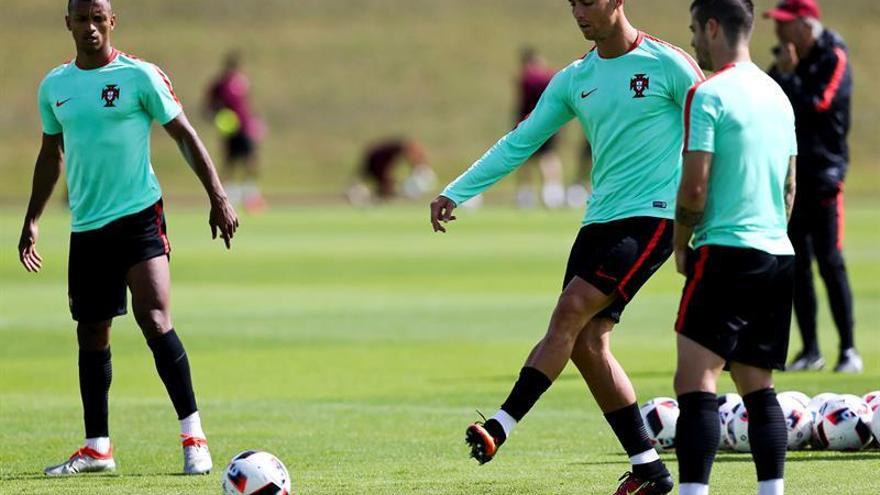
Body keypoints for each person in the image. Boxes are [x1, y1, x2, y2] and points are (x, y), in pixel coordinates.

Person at [429, 0, 704, 492]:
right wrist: (458, 190)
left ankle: (500, 425)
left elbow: (714, 127)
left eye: (588, 1)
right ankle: (650, 470)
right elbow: (521, 141)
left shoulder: (668, 64)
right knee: (587, 343)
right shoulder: (575, 78)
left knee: (570, 310)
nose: (578, 11)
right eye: (572, 2)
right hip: (599, 220)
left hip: (654, 217)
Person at [19, 0, 239, 476]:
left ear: (112, 21)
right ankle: (98, 448)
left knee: (155, 319)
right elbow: (50, 154)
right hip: (88, 226)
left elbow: (183, 133)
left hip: (140, 216)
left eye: (99, 18)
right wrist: (33, 218)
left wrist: (217, 197)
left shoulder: (141, 76)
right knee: (91, 332)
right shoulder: (55, 86)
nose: (91, 27)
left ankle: (194, 438)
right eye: (83, 18)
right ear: (69, 23)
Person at [673, 1, 797, 494]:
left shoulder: (708, 95)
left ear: (712, 26)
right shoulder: (779, 96)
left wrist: (683, 245)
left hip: (724, 251)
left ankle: (693, 492)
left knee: (695, 384)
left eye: (693, 31)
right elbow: (790, 187)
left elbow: (694, 188)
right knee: (758, 387)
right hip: (775, 252)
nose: (693, 43)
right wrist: (770, 233)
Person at [764, 0, 860, 373]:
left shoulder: (833, 56)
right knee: (797, 265)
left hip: (825, 175)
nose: (779, 31)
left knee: (831, 263)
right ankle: (810, 350)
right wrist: (785, 75)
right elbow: (769, 101)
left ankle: (849, 350)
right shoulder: (785, 61)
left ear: (807, 26)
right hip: (793, 177)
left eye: (786, 24)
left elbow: (819, 103)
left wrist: (789, 76)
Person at [206, 51, 268, 213]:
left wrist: (255, 121)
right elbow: (209, 105)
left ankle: (250, 194)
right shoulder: (219, 85)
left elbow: (248, 104)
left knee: (251, 160)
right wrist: (218, 115)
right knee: (229, 162)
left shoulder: (242, 82)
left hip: (245, 128)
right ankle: (229, 195)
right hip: (230, 130)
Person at [514, 47, 566, 209]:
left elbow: (522, 105)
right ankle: (552, 194)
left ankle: (527, 195)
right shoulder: (550, 76)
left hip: (530, 123)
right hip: (551, 123)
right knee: (548, 158)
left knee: (527, 158)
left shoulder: (527, 78)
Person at [346, 137, 437, 204]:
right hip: (374, 164)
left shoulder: (393, 151)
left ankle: (374, 197)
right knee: (385, 185)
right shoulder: (378, 161)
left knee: (385, 185)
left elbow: (410, 151)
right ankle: (367, 196)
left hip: (374, 164)